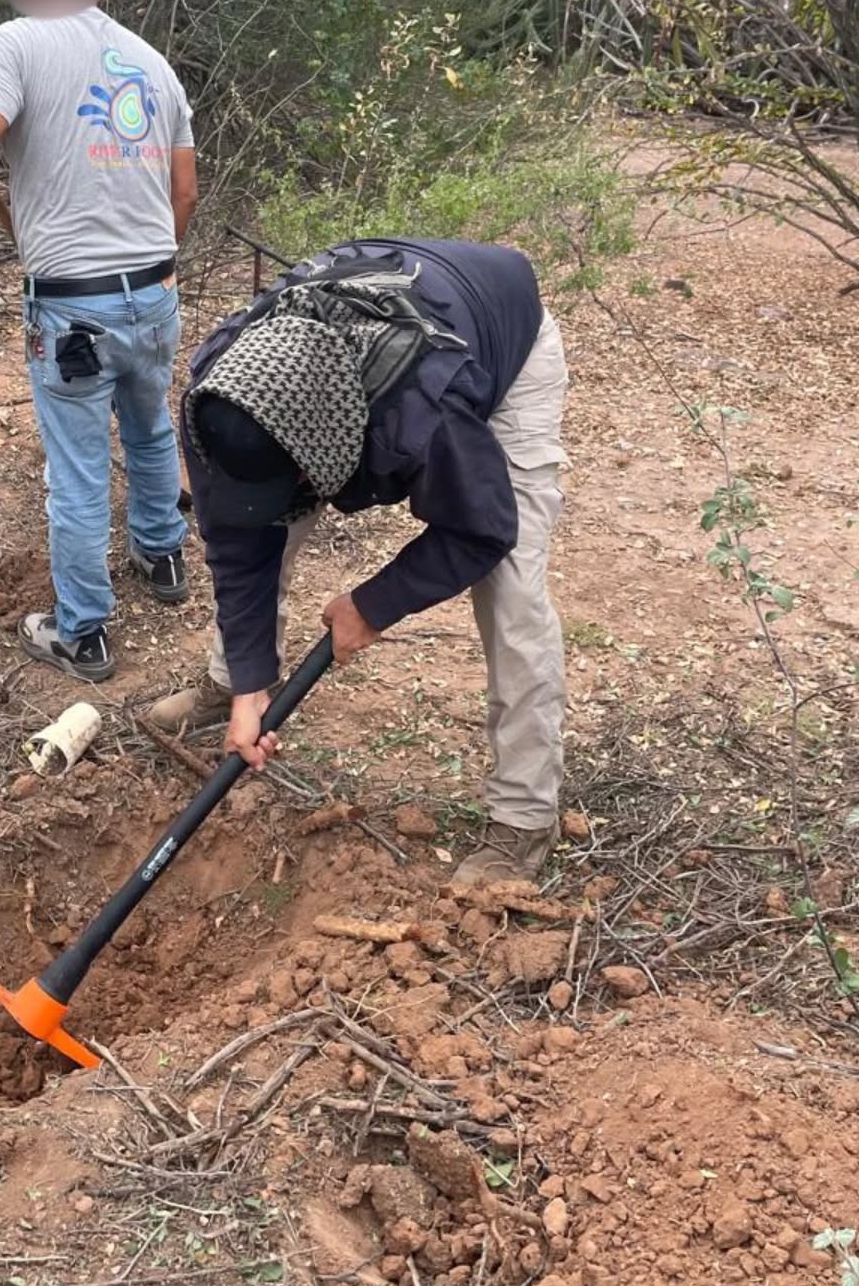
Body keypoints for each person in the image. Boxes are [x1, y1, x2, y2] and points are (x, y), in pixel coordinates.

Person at [150, 238, 568, 884]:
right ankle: (230, 687)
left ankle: (524, 819)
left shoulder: (423, 412)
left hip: (499, 342)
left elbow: (484, 531)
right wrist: (252, 680)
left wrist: (372, 607)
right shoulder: (220, 398)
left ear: (328, 449)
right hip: (332, 363)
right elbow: (236, 540)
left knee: (511, 592)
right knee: (266, 524)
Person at [0, 0, 198, 682]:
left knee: (76, 469)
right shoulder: (154, 65)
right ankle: (163, 559)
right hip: (154, 293)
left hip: (73, 310)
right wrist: (144, 271)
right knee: (148, 431)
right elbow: (183, 194)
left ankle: (83, 631)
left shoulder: (16, 43)